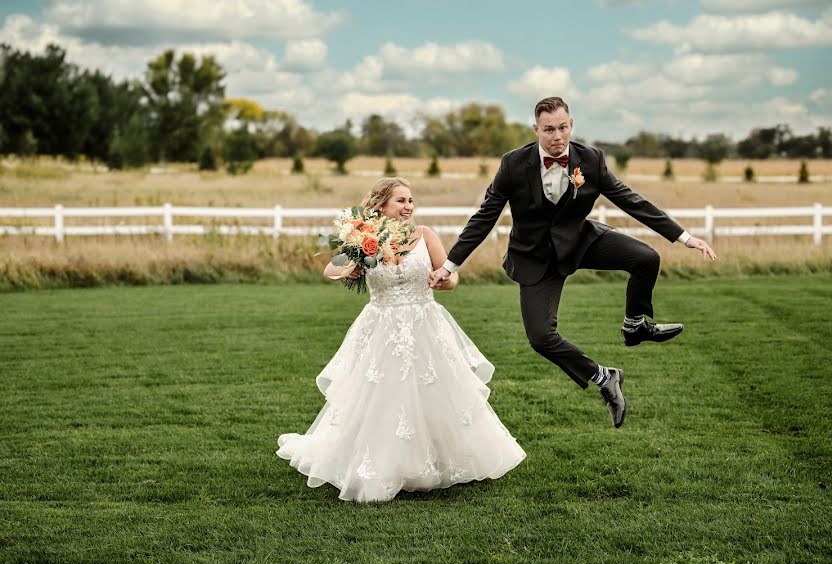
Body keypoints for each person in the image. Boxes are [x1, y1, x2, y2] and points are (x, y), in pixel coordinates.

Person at [429, 97, 717, 429]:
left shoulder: (591, 160)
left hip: (581, 242)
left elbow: (630, 200)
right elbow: (484, 217)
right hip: (536, 257)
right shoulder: (513, 164)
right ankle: (604, 377)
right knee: (540, 338)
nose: (557, 136)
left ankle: (636, 325)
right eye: (549, 129)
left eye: (563, 127)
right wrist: (449, 265)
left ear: (571, 125)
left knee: (646, 258)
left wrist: (683, 237)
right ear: (536, 129)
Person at [276, 177, 526, 502]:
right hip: (381, 327)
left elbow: (452, 277)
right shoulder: (364, 238)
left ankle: (438, 461)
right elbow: (330, 270)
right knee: (383, 397)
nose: (409, 207)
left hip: (425, 324)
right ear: (382, 206)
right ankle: (382, 463)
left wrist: (443, 280)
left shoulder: (425, 235)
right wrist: (349, 269)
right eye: (401, 201)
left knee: (436, 395)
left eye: (411, 200)